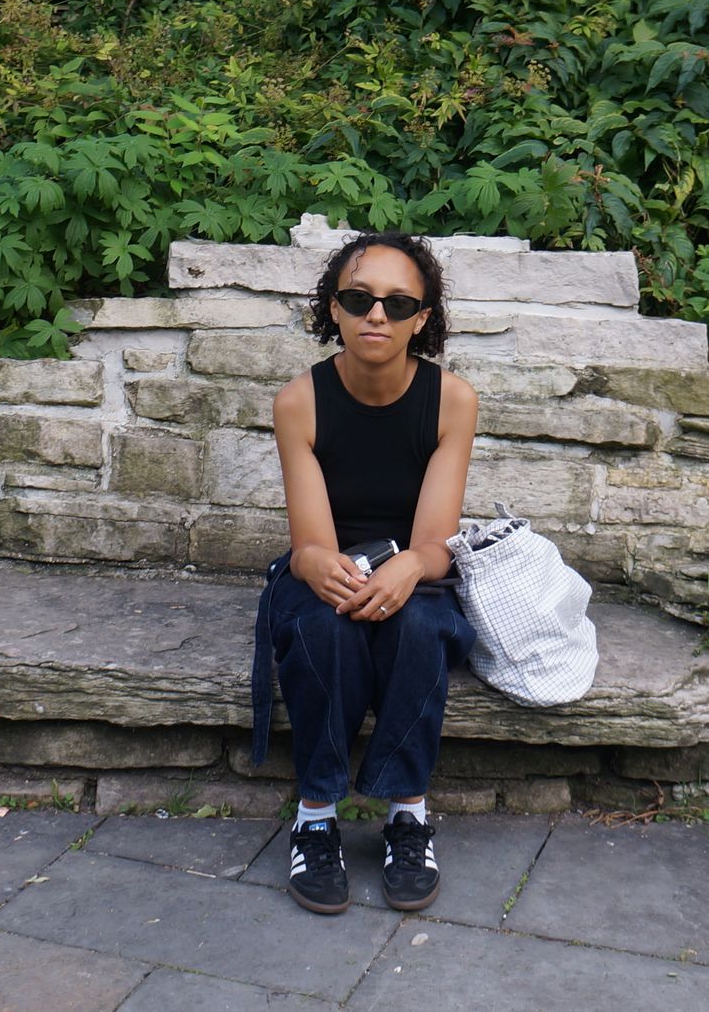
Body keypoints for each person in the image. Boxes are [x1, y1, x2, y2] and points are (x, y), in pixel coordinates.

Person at [247, 231, 480, 916]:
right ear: (334, 309)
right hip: (328, 567)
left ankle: (407, 813)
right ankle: (316, 814)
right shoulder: (299, 401)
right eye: (359, 298)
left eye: (397, 301)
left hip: (415, 569)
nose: (377, 314)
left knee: (421, 625)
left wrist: (409, 566)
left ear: (422, 316)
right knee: (322, 626)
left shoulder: (452, 400)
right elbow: (311, 544)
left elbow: (436, 543)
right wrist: (324, 567)